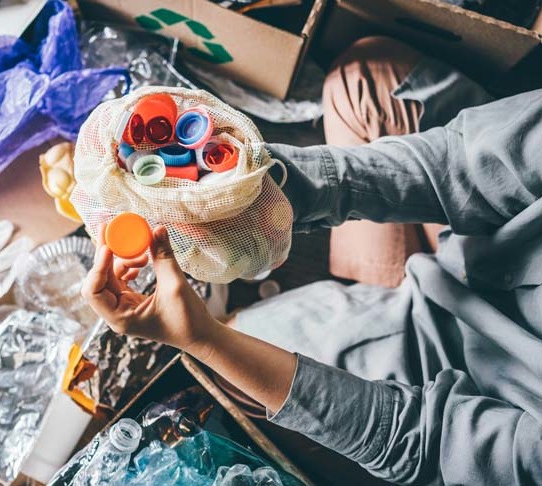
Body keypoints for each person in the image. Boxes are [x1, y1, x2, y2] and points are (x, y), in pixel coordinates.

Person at [81, 36, 542, 485]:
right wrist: (258, 195)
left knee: (242, 357)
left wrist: (203, 339)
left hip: (478, 379)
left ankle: (380, 289)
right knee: (362, 74)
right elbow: (460, 166)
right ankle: (381, 279)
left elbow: (428, 444)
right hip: (480, 245)